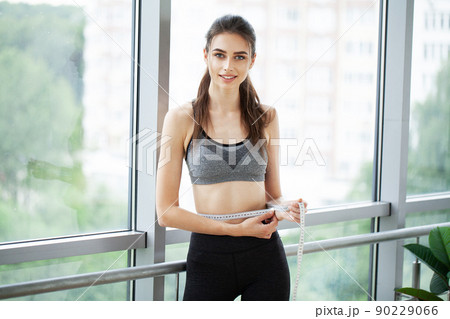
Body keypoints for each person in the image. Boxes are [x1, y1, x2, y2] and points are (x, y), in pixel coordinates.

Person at [156, 14, 307, 301]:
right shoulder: (181, 119)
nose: (228, 66)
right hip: (209, 258)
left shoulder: (266, 117)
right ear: (206, 56)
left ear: (251, 61)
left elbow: (273, 194)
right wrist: (233, 231)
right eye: (219, 55)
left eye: (239, 57)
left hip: (265, 256)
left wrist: (284, 207)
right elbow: (165, 212)